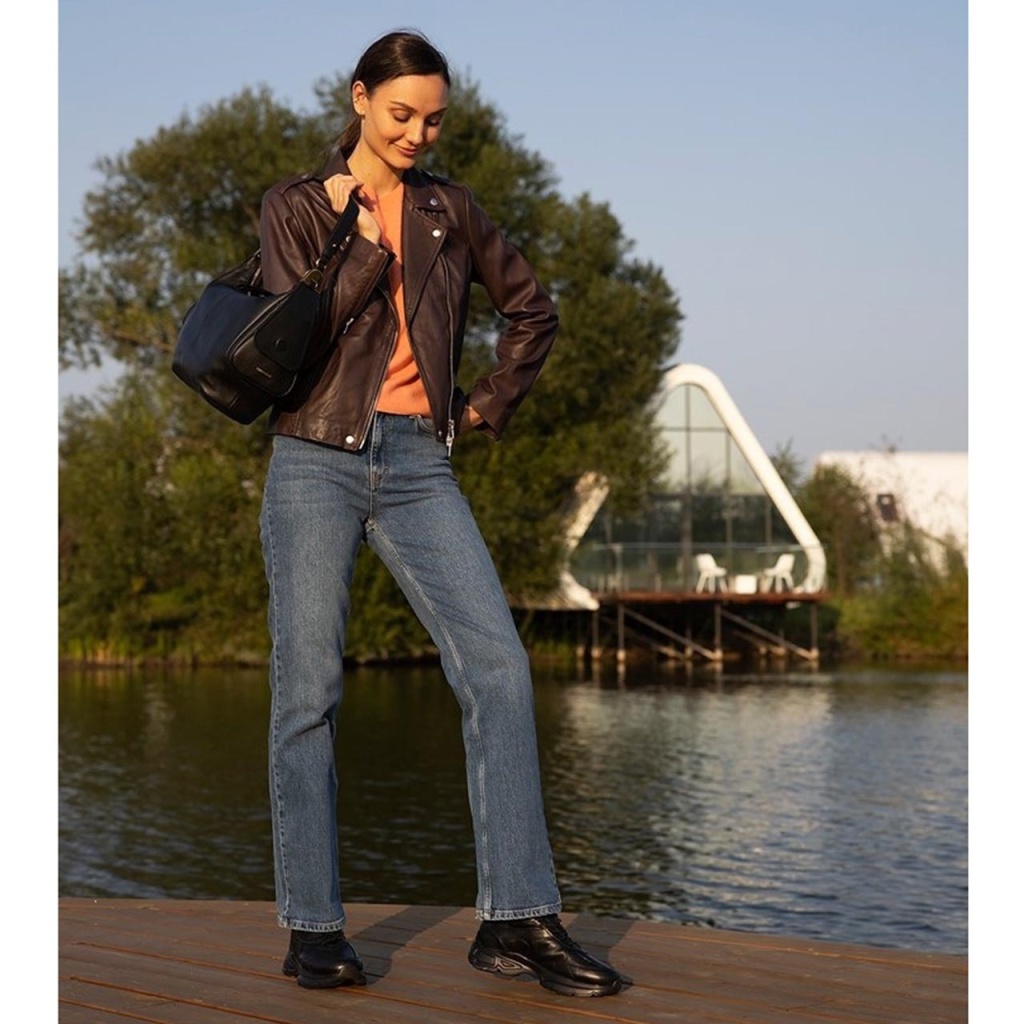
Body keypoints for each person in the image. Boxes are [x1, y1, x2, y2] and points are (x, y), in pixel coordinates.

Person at [257, 30, 626, 999]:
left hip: (420, 462)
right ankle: (312, 927)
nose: (417, 134)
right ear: (358, 99)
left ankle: (516, 918)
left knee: (500, 669)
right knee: (307, 693)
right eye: (401, 114)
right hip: (313, 458)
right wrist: (353, 236)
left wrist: (481, 408)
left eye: (433, 119)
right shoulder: (297, 204)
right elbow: (300, 334)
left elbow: (532, 310)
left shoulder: (449, 209)